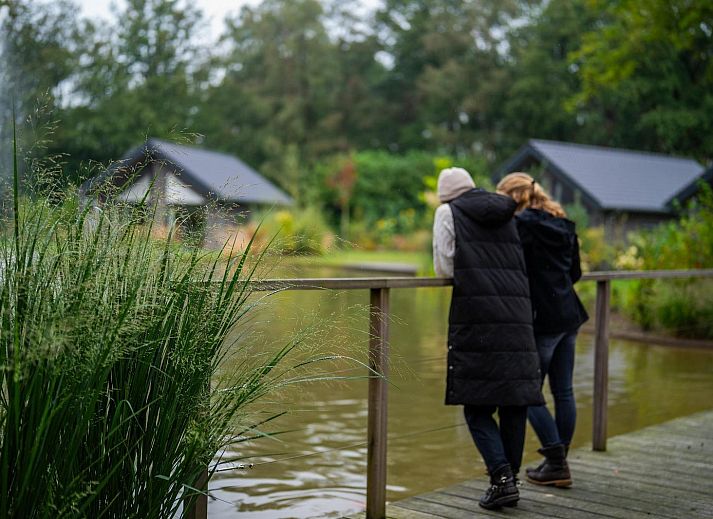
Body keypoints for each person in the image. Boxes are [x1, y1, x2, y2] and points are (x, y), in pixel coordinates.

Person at [432, 167, 544, 509]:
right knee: (513, 405)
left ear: (446, 195)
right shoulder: (505, 208)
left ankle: (502, 478)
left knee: (476, 407)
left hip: (478, 317)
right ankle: (509, 481)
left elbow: (444, 266)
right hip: (518, 317)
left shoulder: (447, 212)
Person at [496, 172, 589, 488]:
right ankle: (558, 461)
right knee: (563, 390)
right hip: (569, 314)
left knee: (527, 392)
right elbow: (575, 272)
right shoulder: (564, 224)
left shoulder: (520, 226)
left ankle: (555, 460)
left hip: (541, 319)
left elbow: (511, 270)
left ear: (512, 197)